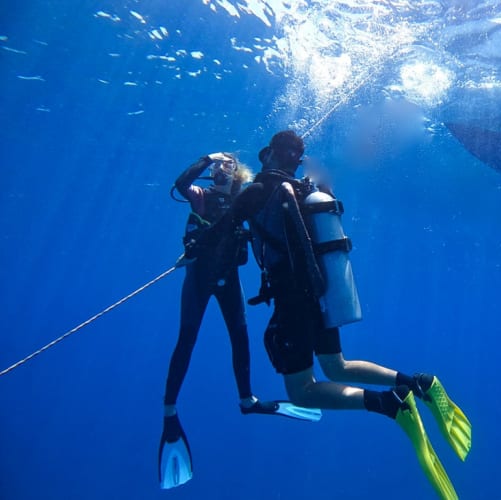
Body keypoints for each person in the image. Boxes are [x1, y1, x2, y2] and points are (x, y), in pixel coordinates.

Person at [229, 131, 472, 500]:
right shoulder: (303, 190)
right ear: (296, 159)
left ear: (268, 156)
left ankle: (391, 404)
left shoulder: (263, 189)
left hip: (293, 301)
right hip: (322, 294)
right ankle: (418, 382)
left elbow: (227, 221)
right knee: (337, 365)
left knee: (303, 392)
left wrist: (200, 242)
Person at [158, 152, 321, 490]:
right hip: (200, 278)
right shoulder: (200, 196)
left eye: (228, 165)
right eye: (219, 165)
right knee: (186, 340)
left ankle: (247, 400)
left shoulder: (239, 198)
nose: (222, 168)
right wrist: (206, 157)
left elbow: (267, 203)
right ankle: (170, 413)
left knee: (240, 336)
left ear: (237, 174)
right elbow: (180, 184)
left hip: (228, 278)